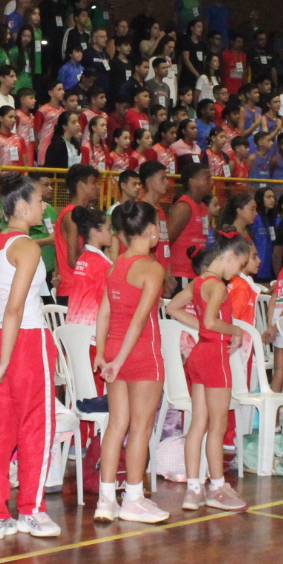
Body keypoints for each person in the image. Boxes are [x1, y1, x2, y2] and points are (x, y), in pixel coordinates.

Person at [0, 176, 58, 539]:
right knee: (36, 426)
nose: (44, 206)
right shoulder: (27, 247)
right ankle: (31, 511)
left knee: (0, 430)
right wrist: (7, 359)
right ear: (22, 207)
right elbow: (14, 308)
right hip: (25, 341)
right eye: (40, 200)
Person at [93, 200, 169, 524]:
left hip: (114, 350)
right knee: (141, 427)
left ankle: (105, 500)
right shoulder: (152, 268)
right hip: (140, 353)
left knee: (116, 425)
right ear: (151, 230)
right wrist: (119, 360)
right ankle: (134, 499)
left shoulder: (116, 265)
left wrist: (103, 355)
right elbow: (139, 322)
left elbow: (104, 313)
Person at [166, 231, 250, 511]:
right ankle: (217, 487)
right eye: (239, 266)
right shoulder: (218, 286)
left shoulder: (199, 281)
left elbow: (173, 307)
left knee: (198, 423)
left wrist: (201, 325)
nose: (238, 273)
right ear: (230, 257)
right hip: (214, 356)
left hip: (199, 354)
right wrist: (235, 330)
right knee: (218, 426)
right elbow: (213, 322)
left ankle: (193, 490)